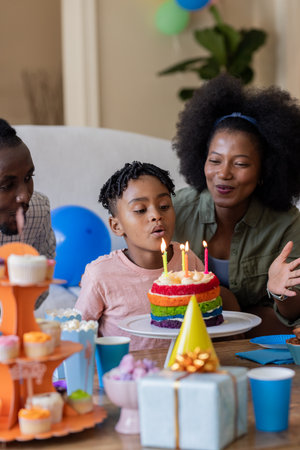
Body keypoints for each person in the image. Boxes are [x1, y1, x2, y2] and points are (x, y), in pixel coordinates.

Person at [172, 74, 300, 335]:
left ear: (265, 170)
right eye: (215, 160)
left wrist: (280, 293)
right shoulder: (175, 211)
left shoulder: (287, 223)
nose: (224, 174)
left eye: (240, 163)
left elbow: (291, 316)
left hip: (259, 337)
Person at [75, 161, 204, 350]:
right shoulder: (100, 274)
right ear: (116, 226)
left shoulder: (187, 259)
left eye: (164, 206)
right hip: (126, 374)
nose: (156, 215)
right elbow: (77, 333)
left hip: (182, 371)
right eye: (140, 210)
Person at [0, 119, 56, 308]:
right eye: (6, 186)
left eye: (28, 178)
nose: (25, 196)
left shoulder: (38, 211)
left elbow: (42, 282)